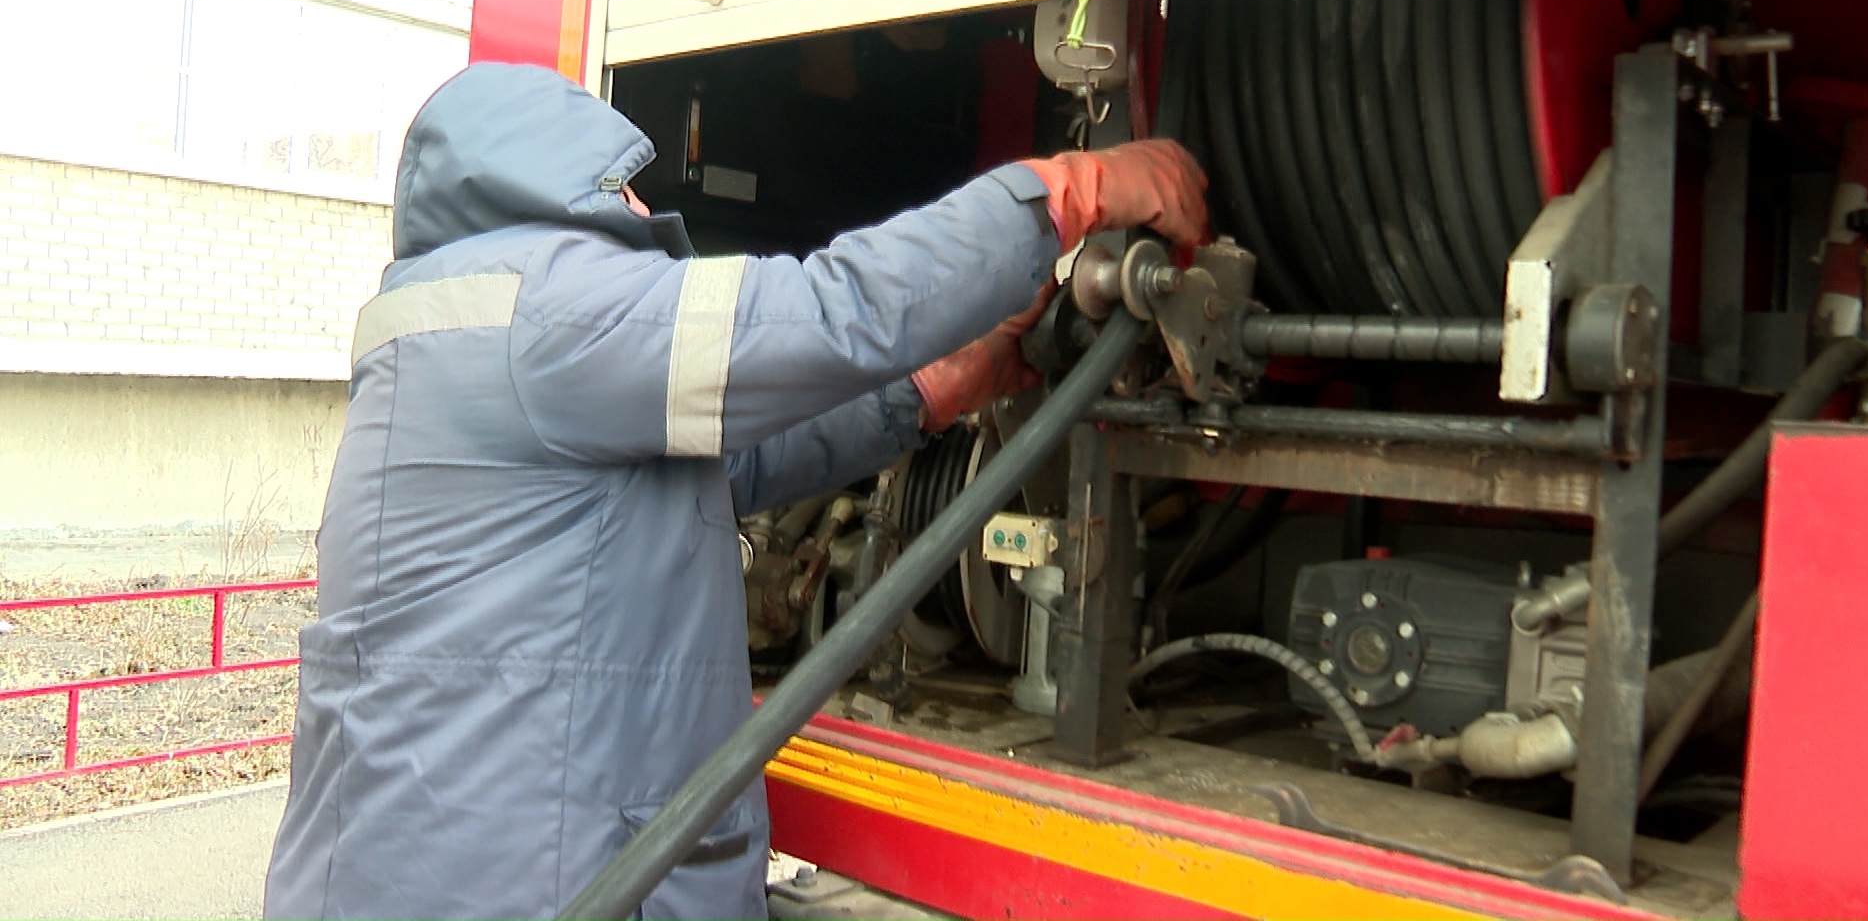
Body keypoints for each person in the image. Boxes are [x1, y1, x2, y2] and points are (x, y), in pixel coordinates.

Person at [263, 62, 1208, 920]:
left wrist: (924, 394)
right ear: (549, 181)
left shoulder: (449, 325)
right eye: (618, 182)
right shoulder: (547, 305)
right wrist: (1065, 192)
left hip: (394, 870)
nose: (637, 205)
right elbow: (831, 312)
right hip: (515, 884)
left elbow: (706, 476)